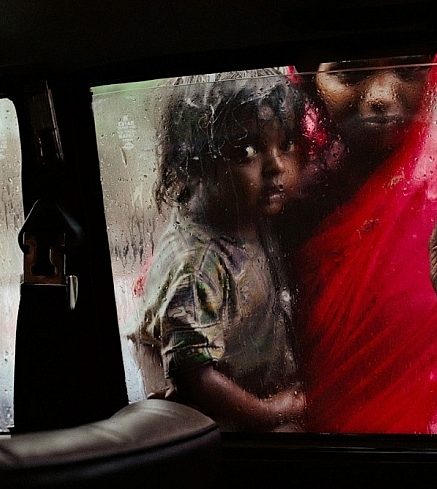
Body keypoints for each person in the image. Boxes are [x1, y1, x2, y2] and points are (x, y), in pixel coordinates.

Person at [281, 54, 437, 433]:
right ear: (308, 80)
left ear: (435, 74)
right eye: (349, 72)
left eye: (408, 70)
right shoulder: (274, 180)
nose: (381, 95)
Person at [125, 70, 306, 432]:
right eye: (246, 151)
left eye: (286, 144)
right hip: (229, 433)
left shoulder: (248, 212)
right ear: (193, 163)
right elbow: (193, 377)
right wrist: (271, 413)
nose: (277, 166)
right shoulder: (198, 263)